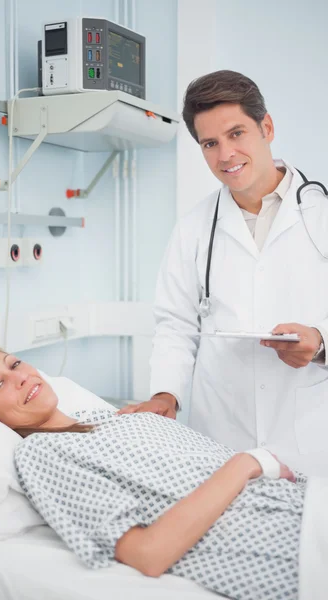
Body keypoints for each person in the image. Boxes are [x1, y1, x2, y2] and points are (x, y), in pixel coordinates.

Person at [0, 345, 305, 600]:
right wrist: (245, 464)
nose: (18, 377)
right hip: (284, 550)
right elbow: (149, 553)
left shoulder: (109, 419)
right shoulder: (42, 453)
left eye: (15, 364)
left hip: (301, 503)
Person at [119, 70, 328, 473]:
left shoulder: (321, 215)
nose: (226, 155)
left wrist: (320, 343)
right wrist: (166, 395)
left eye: (237, 134)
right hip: (221, 439)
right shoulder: (194, 228)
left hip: (311, 437)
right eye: (210, 143)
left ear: (266, 127)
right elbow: (175, 325)